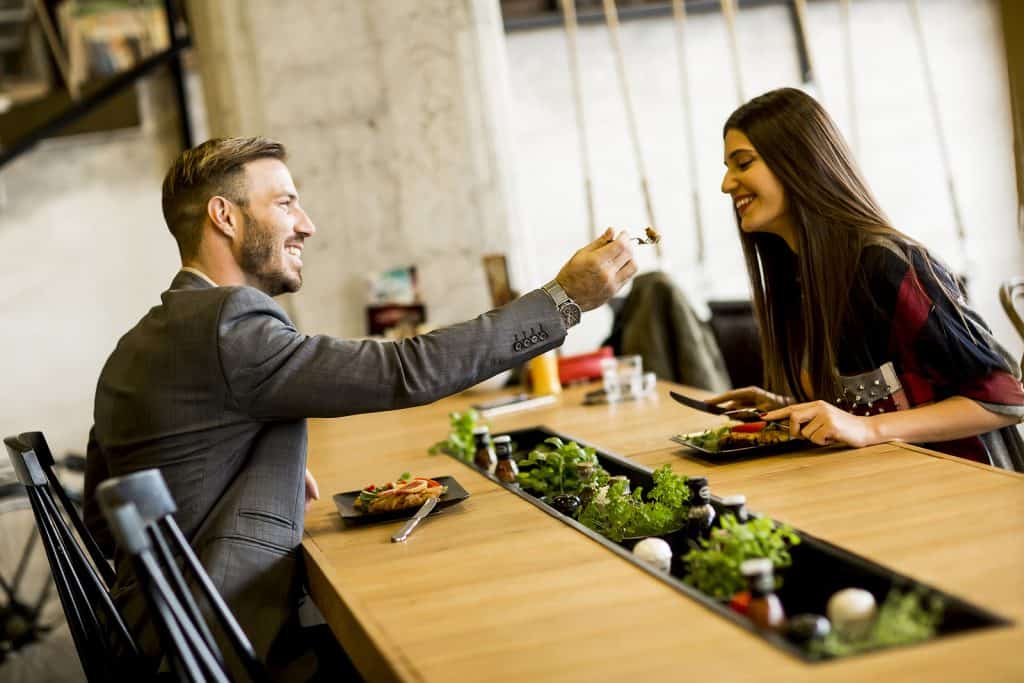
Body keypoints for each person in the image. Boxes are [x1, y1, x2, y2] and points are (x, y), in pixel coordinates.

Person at [82, 136, 637, 678]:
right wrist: (564, 300)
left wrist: (253, 474)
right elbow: (405, 371)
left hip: (155, 638)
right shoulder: (230, 326)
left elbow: (108, 526)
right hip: (226, 650)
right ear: (224, 217)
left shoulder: (136, 346)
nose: (306, 224)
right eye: (285, 202)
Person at [708, 87, 1024, 469]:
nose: (727, 184)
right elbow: (879, 407)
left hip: (964, 491)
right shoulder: (798, 275)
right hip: (887, 484)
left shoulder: (885, 264)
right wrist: (788, 410)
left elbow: (1003, 398)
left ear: (799, 161)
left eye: (742, 164)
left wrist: (865, 429)